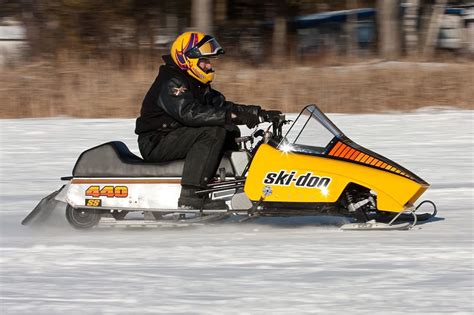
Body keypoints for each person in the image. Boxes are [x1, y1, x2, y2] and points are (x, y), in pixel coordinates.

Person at [135, 32, 281, 210]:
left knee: (230, 130)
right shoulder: (172, 82)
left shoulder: (195, 82)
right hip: (157, 141)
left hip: (175, 136)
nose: (208, 65)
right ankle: (191, 196)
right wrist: (230, 117)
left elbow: (223, 107)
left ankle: (236, 185)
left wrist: (258, 113)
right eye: (203, 60)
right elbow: (189, 113)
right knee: (213, 132)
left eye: (209, 61)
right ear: (187, 59)